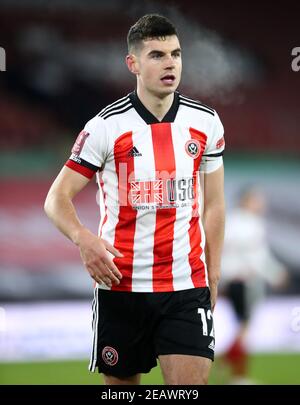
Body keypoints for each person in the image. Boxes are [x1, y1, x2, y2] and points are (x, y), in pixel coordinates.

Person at [44, 14, 225, 385]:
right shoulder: (105, 127)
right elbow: (57, 198)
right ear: (133, 64)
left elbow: (214, 205)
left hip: (185, 285)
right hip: (121, 287)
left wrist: (214, 272)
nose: (170, 62)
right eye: (157, 55)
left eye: (175, 53)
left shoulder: (205, 122)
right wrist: (84, 239)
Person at [221, 186, 287, 384]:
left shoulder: (229, 221)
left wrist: (223, 277)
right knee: (244, 328)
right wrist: (275, 275)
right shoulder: (253, 225)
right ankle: (237, 374)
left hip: (231, 280)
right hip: (245, 281)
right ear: (246, 201)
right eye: (257, 200)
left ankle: (234, 370)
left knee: (242, 327)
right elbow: (258, 257)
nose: (261, 204)